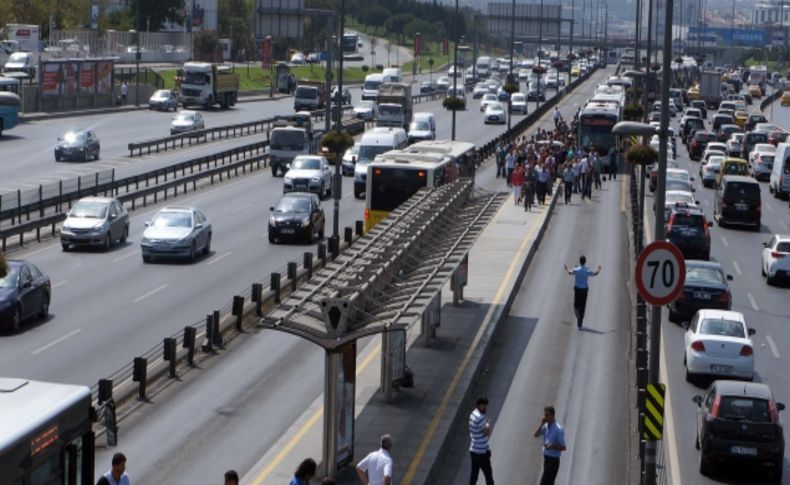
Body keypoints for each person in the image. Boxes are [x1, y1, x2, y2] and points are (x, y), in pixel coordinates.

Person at [564, 255, 602, 329]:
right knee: (583, 305)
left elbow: (569, 272)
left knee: (576, 304)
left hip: (577, 290)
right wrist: (599, 269)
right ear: (585, 262)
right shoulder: (587, 270)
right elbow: (595, 274)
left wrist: (566, 267)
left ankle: (578, 315)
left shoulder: (576, 269)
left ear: (580, 261)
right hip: (584, 290)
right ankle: (580, 321)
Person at [533, 406, 567, 485]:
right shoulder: (545, 426)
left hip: (553, 460)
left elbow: (564, 447)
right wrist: (541, 424)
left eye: (547, 415)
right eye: (545, 415)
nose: (545, 417)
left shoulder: (558, 429)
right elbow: (535, 435)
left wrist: (553, 446)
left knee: (544, 482)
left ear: (552, 415)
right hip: (547, 459)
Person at [468, 396, 494, 485]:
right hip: (481, 452)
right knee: (488, 475)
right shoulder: (480, 417)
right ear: (478, 405)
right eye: (484, 406)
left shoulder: (472, 414)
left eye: (486, 406)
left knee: (474, 475)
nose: (485, 408)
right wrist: (488, 424)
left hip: (473, 450)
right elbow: (486, 432)